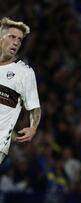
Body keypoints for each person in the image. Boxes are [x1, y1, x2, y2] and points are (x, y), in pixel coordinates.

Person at [0, 17, 41, 164]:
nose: (16, 42)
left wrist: (33, 127)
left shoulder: (25, 73)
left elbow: (35, 107)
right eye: (12, 37)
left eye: (20, 39)